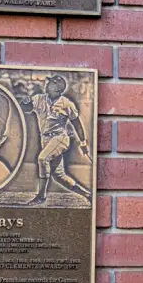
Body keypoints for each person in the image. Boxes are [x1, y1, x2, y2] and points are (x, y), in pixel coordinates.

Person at [18, 75, 91, 205]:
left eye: (51, 83)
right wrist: (24, 103)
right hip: (46, 139)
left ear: (58, 88)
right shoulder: (39, 98)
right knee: (59, 176)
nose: (47, 84)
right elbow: (26, 109)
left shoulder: (66, 103)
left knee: (43, 159)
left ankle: (41, 196)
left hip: (60, 138)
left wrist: (83, 143)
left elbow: (77, 124)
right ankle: (87, 194)